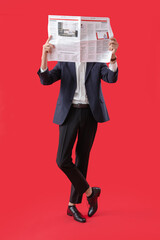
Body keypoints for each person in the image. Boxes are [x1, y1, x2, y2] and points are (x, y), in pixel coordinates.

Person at [37, 35, 119, 223]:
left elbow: (111, 78)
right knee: (62, 160)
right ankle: (91, 192)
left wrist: (113, 57)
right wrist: (43, 56)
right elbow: (46, 80)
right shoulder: (64, 61)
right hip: (69, 113)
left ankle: (72, 205)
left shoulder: (96, 61)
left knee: (83, 158)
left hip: (90, 114)